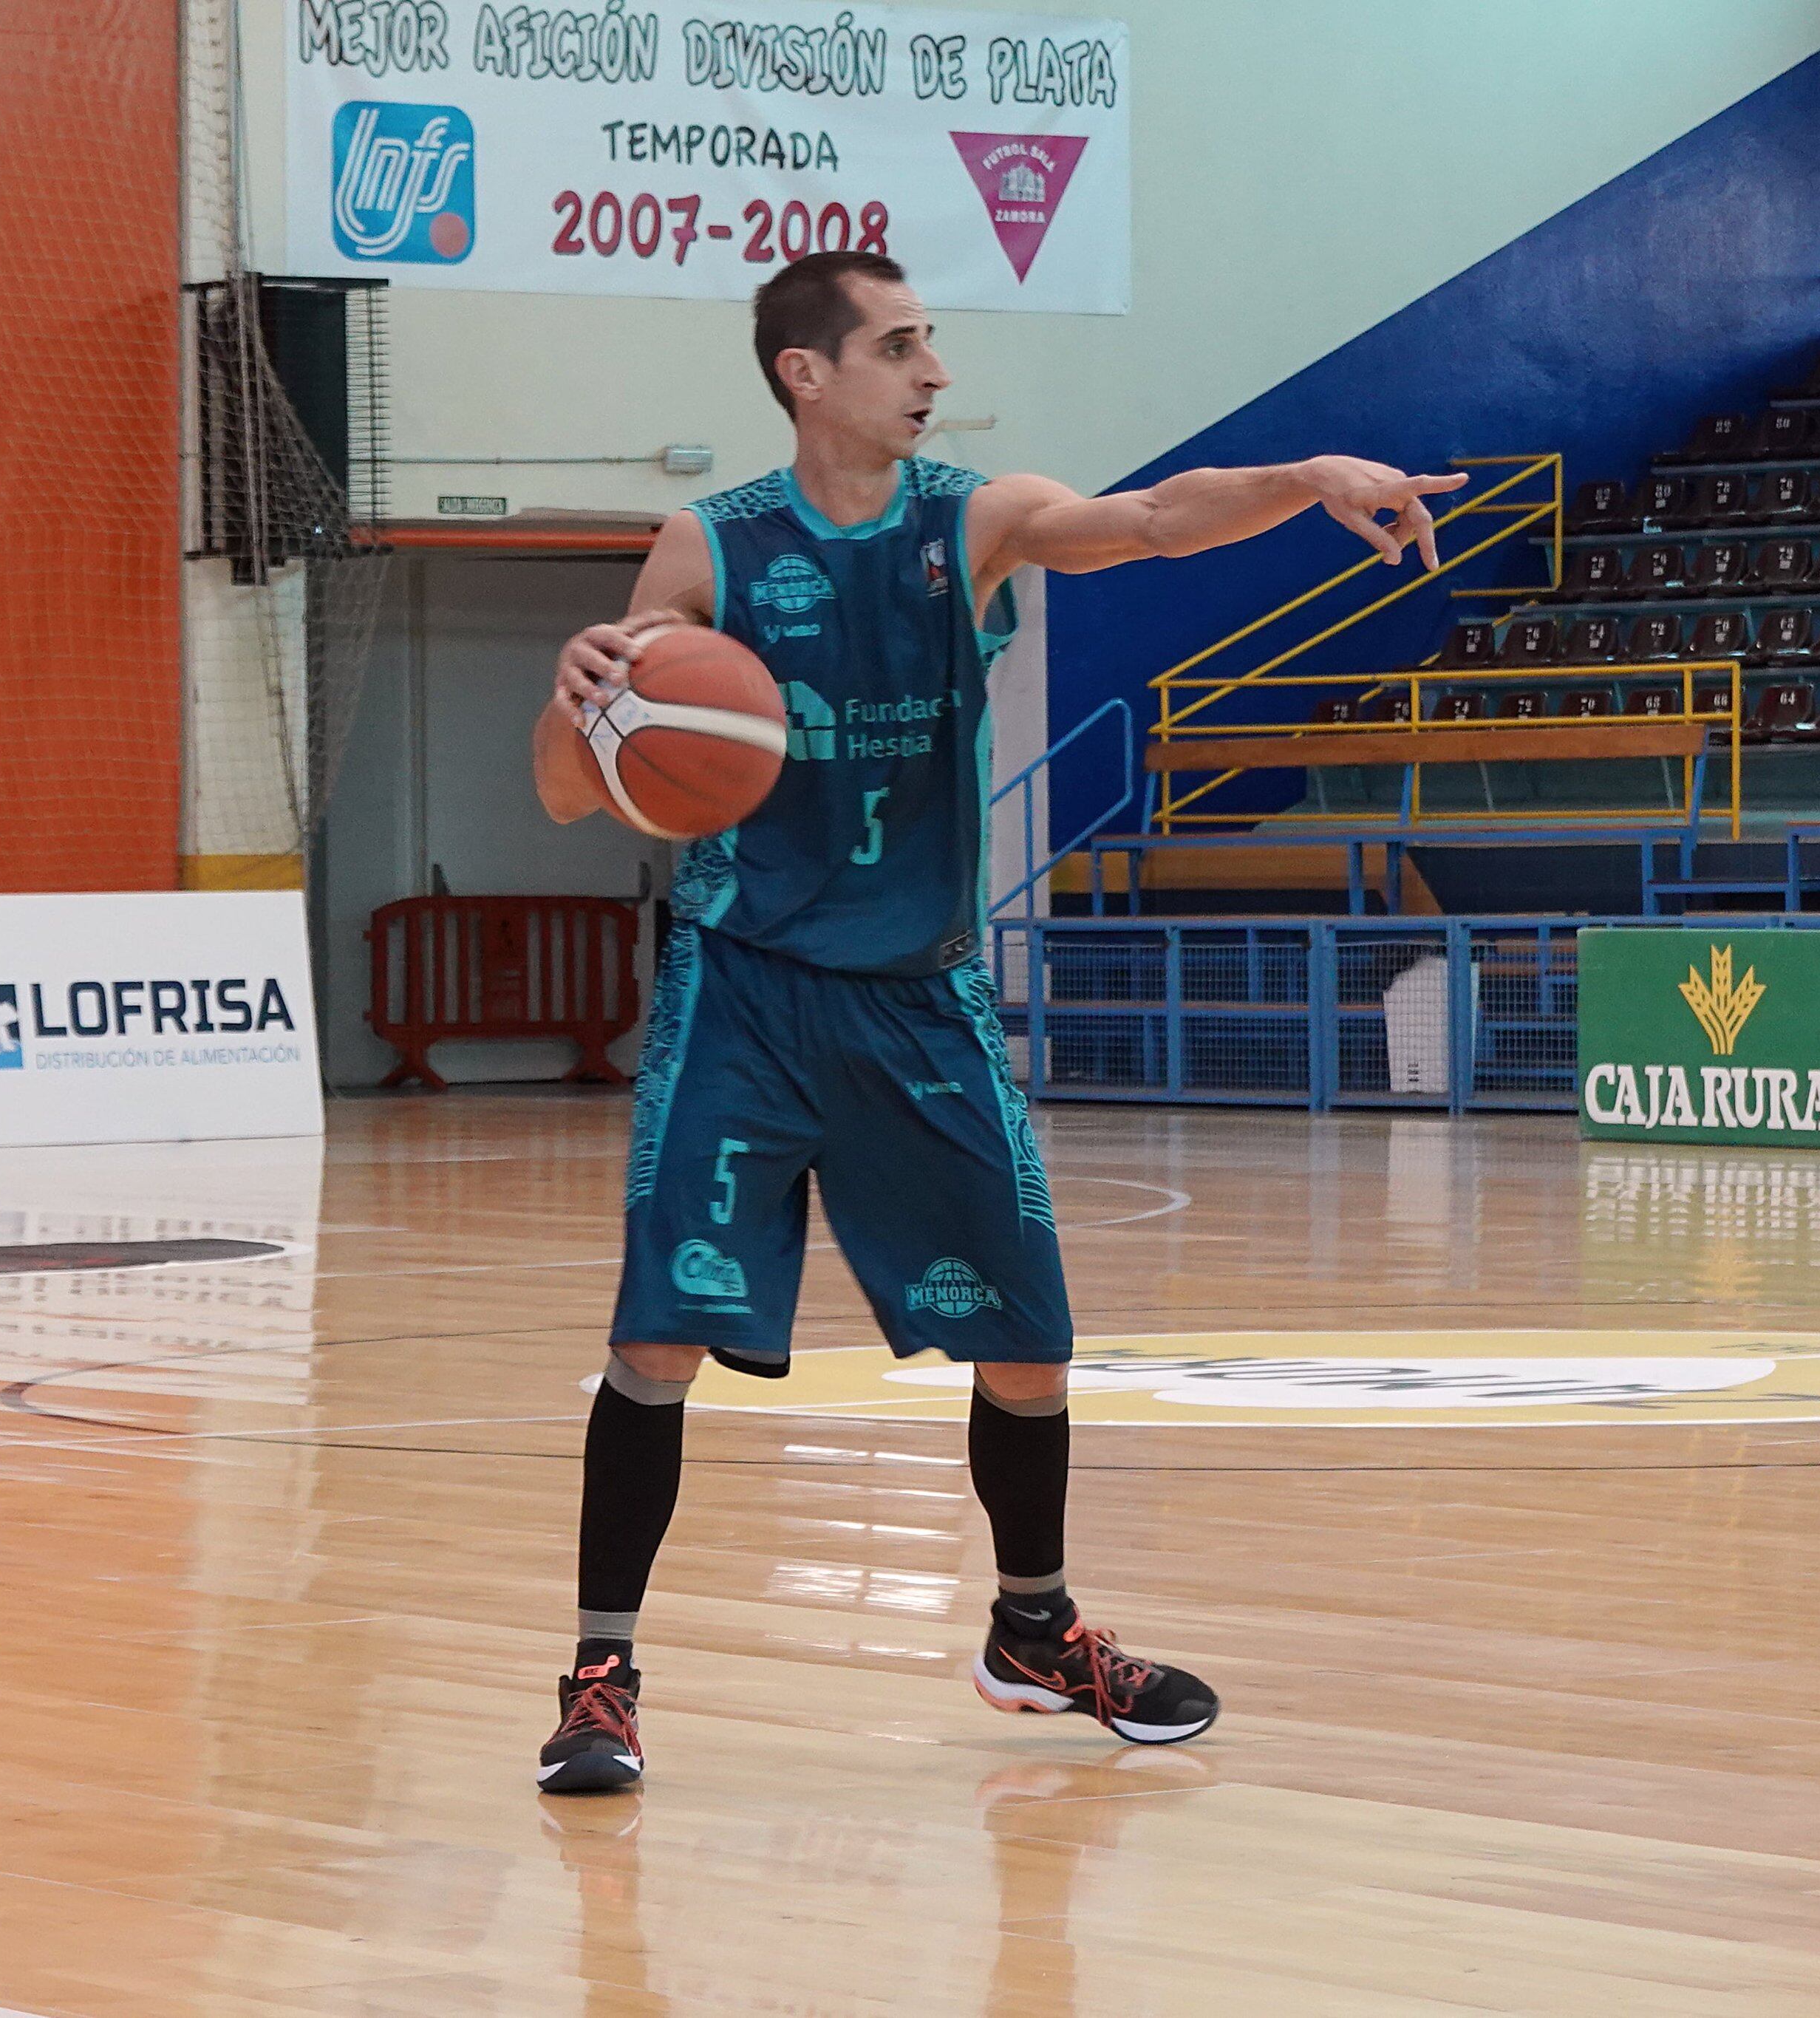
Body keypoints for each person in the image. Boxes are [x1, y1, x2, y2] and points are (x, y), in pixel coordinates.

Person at [526, 249, 1468, 1788]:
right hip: (745, 991)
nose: (935, 371)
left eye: (930, 342)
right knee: (656, 1340)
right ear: (807, 374)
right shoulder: (707, 547)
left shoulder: (970, 522)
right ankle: (599, 1678)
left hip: (921, 992)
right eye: (900, 346)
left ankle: (1034, 1631)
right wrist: (577, 697)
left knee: (1029, 1349)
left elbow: (1156, 520)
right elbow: (574, 794)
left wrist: (1306, 478)